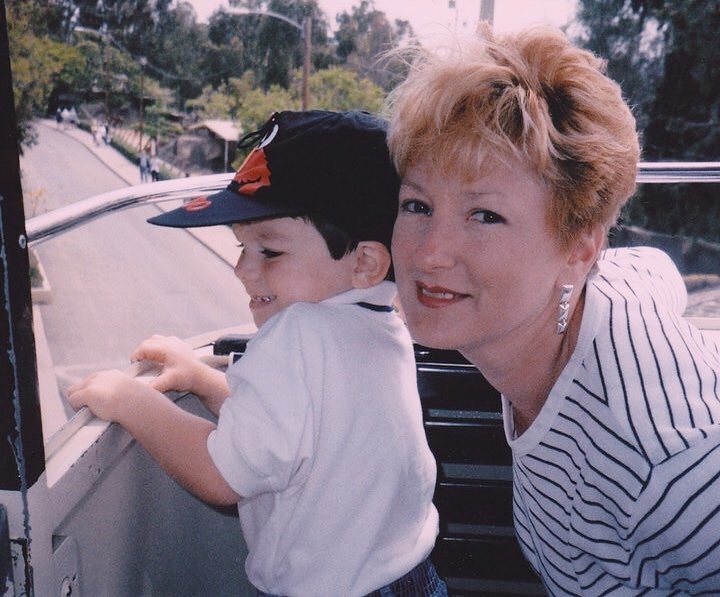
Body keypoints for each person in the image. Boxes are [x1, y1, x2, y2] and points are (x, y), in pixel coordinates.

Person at [386, 25, 720, 594]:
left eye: (484, 215)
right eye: (418, 205)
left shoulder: (665, 454)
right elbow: (656, 270)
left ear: (579, 249)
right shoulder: (598, 293)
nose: (428, 252)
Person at [68, 110, 445, 597]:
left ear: (366, 262)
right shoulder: (381, 328)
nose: (243, 271)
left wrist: (129, 400)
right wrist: (205, 382)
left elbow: (222, 475)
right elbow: (293, 435)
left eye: (269, 252)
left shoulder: (298, 333)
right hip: (411, 578)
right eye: (242, 247)